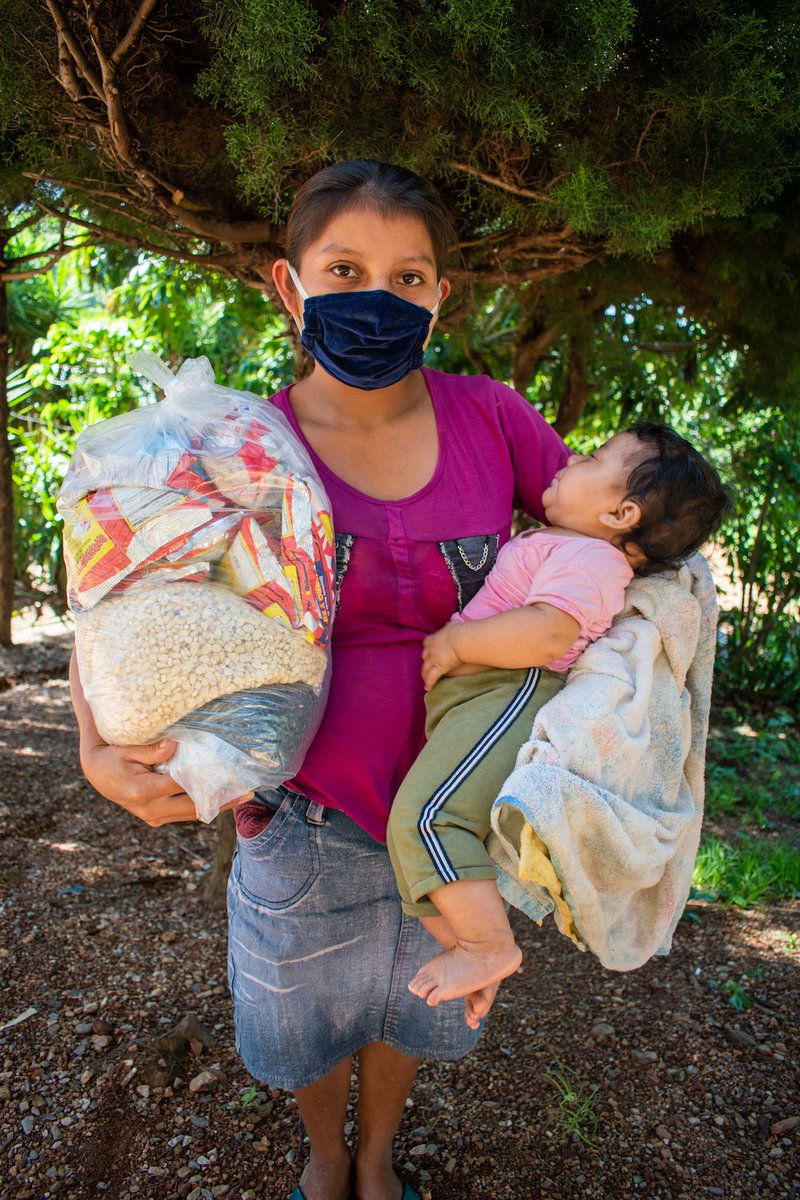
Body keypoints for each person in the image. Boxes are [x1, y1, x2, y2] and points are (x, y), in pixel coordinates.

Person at [69, 159, 572, 1200]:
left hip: (458, 830)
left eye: (409, 276)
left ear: (441, 296)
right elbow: (127, 601)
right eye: (343, 268)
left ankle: (378, 1155)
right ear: (287, 286)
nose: (377, 297)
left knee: (414, 1009)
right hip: (299, 821)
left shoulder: (493, 420)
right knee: (303, 1029)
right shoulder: (232, 442)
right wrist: (91, 741)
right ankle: (324, 1152)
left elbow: (607, 551)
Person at [385, 423, 730, 1024]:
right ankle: (473, 951)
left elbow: (548, 632)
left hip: (505, 690)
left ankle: (488, 944)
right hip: (480, 696)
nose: (569, 459)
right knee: (412, 830)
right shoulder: (570, 545)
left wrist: (458, 644)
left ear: (621, 513)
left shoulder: (590, 559)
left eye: (592, 458)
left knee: (427, 819)